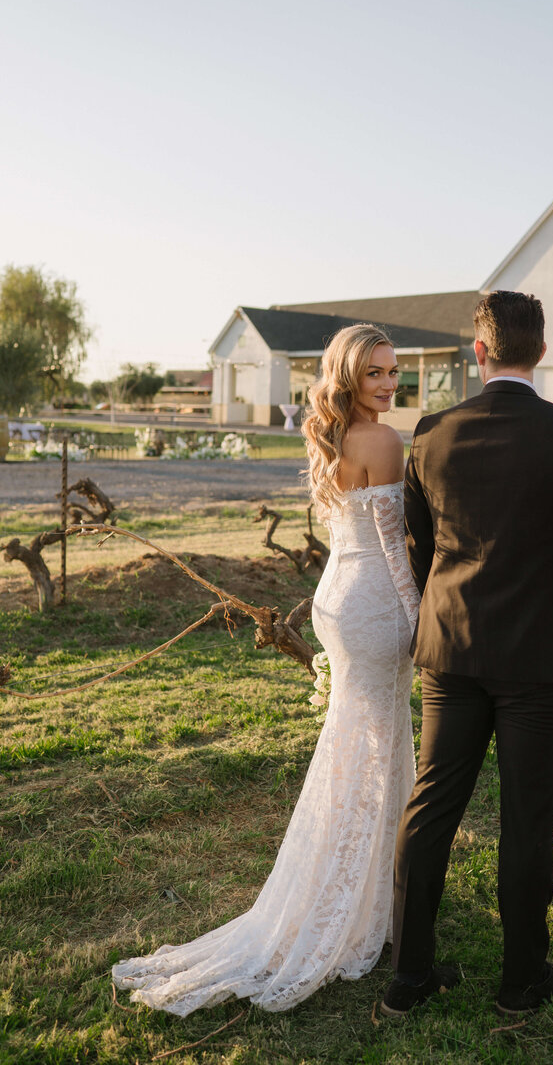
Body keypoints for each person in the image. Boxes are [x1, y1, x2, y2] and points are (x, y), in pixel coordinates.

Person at [112, 323, 418, 1014]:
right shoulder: (385, 440)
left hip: (334, 601)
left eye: (394, 371)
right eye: (375, 373)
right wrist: (423, 617)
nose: (389, 382)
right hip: (374, 607)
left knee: (353, 748)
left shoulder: (333, 436)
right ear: (348, 376)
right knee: (378, 749)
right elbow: (396, 552)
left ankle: (361, 886)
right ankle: (367, 904)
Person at [381, 290, 553, 1019]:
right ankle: (520, 984)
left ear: (479, 352)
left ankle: (410, 977)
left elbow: (422, 549)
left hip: (450, 650)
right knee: (527, 822)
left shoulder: (430, 432)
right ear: (541, 353)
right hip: (541, 660)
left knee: (430, 810)